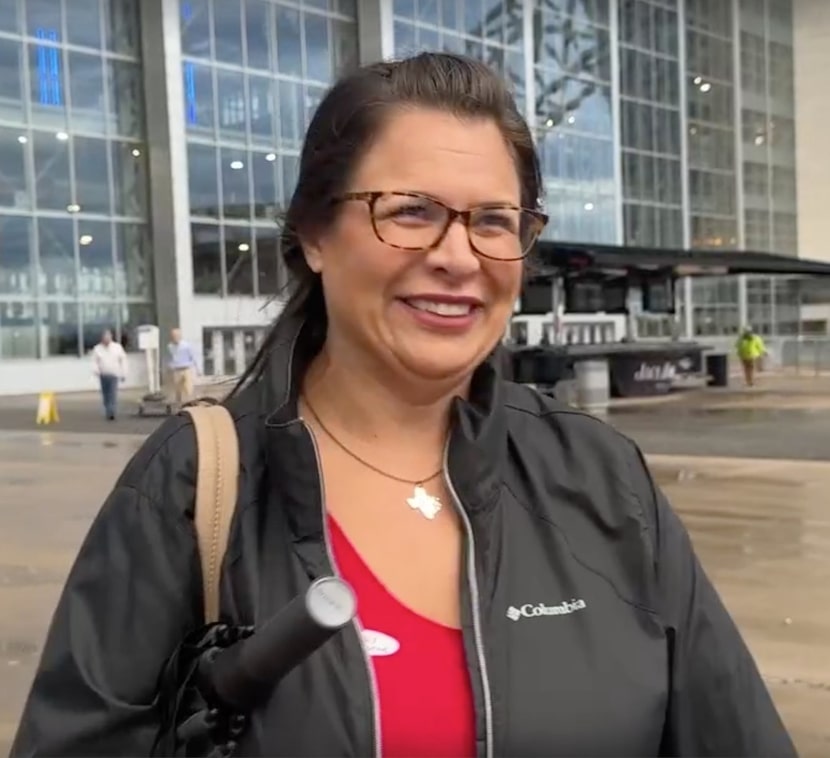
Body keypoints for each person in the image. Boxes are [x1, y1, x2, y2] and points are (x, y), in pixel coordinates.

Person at [12, 53, 794, 757]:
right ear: (315, 234)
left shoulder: (601, 477)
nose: (458, 257)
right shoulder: (192, 489)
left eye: (493, 220)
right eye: (411, 210)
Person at [90, 329, 126, 420]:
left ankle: (111, 412)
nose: (107, 339)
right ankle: (108, 409)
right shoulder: (97, 348)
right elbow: (94, 361)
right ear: (102, 338)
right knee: (106, 394)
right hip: (103, 374)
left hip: (114, 374)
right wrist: (96, 370)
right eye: (105, 337)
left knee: (112, 394)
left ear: (111, 337)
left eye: (108, 337)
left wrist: (123, 373)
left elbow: (123, 360)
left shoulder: (117, 347)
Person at [167, 327, 198, 405]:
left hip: (186, 368)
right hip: (176, 369)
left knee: (188, 387)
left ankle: (190, 403)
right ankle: (178, 403)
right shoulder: (170, 346)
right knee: (177, 388)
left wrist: (196, 369)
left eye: (177, 335)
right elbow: (170, 357)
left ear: (180, 336)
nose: (175, 337)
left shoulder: (186, 345)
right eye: (173, 335)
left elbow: (192, 357)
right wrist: (170, 366)